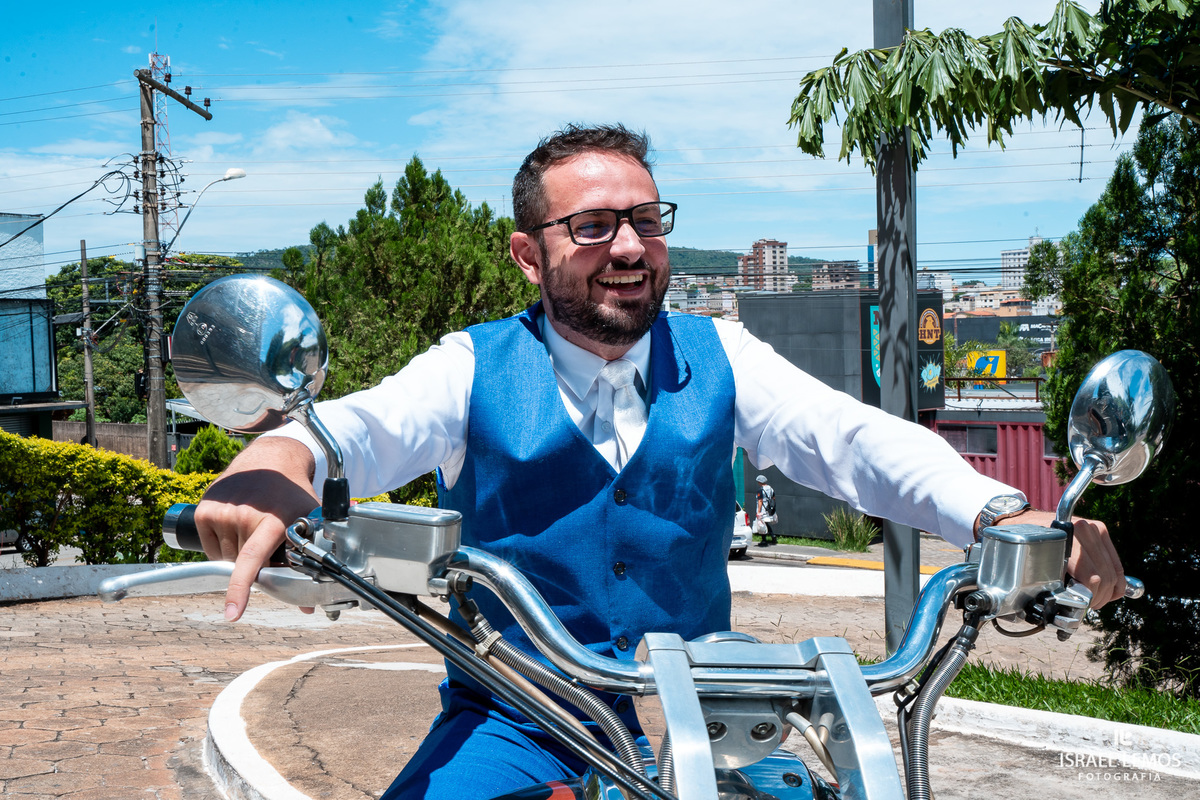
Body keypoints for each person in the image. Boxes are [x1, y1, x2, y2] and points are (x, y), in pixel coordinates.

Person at [193, 124, 1127, 800]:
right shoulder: (471, 364)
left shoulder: (721, 352)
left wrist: (1000, 515)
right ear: (529, 254)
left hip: (705, 710)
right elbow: (356, 427)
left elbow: (852, 439)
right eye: (593, 226)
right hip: (521, 717)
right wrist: (276, 459)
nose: (631, 246)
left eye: (646, 218)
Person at [754, 474, 777, 546]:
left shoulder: (760, 490)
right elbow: (773, 498)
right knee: (765, 523)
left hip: (762, 510)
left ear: (760, 482)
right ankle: (773, 536)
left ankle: (764, 540)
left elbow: (760, 501)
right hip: (768, 509)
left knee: (761, 524)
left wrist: (758, 511)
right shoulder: (770, 488)